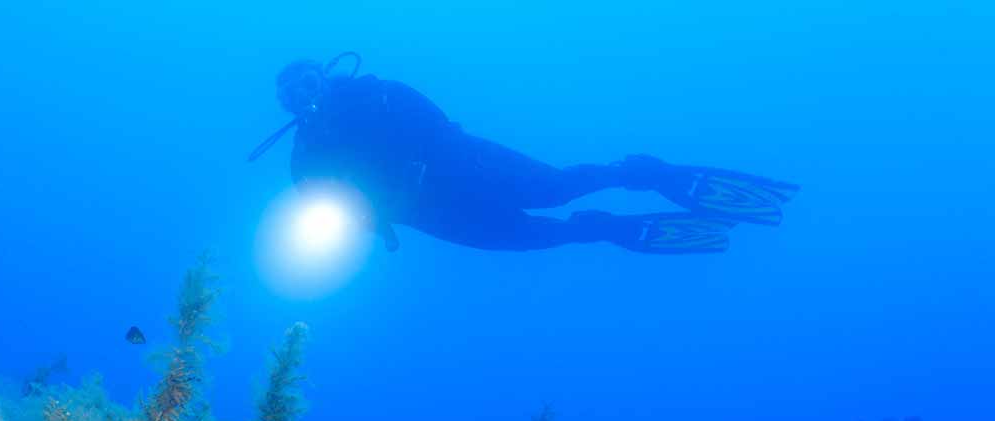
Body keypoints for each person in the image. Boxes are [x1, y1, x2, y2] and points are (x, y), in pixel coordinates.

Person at [250, 55, 798, 254]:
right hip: (428, 213)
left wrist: (429, 154)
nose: (304, 93)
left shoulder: (378, 93)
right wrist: (370, 225)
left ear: (324, 74)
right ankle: (602, 229)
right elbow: (329, 210)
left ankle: (641, 173)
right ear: (285, 103)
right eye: (291, 92)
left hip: (463, 164)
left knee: (553, 188)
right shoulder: (303, 159)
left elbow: (435, 120)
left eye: (307, 80)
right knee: (526, 239)